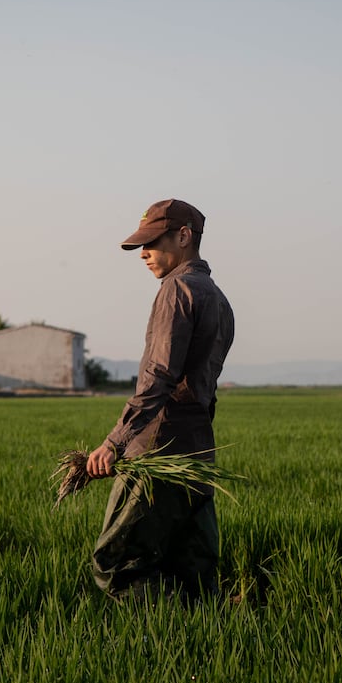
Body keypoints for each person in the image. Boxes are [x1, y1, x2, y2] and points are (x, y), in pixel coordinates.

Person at [86, 198, 235, 602]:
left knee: (115, 563)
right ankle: (203, 647)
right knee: (194, 577)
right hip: (197, 456)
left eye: (152, 242)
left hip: (157, 454)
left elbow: (158, 376)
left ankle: (156, 646)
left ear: (184, 236)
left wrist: (115, 441)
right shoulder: (218, 299)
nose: (145, 254)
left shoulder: (177, 289)